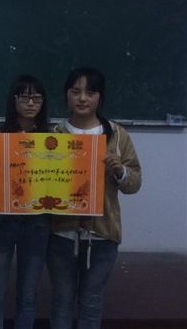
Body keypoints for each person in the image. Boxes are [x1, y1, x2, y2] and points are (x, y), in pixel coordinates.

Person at [46, 67, 142, 329]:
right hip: (61, 235)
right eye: (75, 91)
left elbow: (134, 183)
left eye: (90, 92)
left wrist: (120, 171)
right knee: (61, 302)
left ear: (100, 97)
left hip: (102, 235)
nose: (82, 98)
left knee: (91, 303)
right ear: (66, 95)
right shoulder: (53, 135)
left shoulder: (117, 135)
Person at [0, 75, 51, 329]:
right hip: (2, 218)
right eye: (24, 97)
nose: (31, 103)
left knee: (28, 294)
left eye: (37, 98)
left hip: (37, 221)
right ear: (14, 100)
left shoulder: (53, 139)